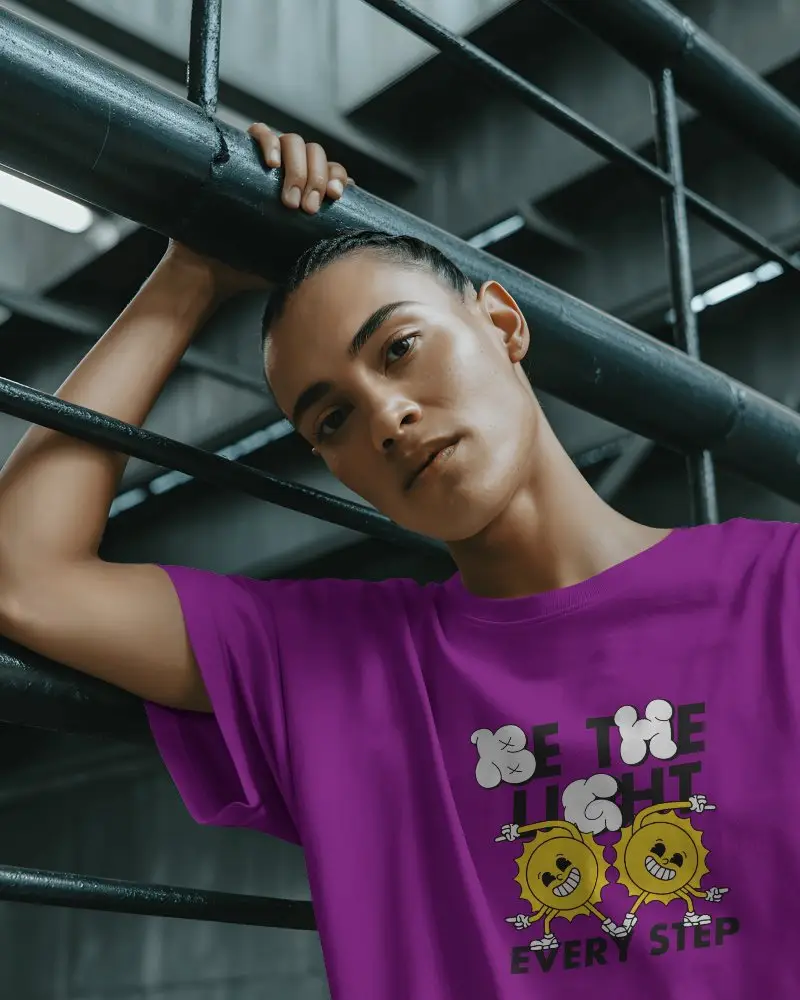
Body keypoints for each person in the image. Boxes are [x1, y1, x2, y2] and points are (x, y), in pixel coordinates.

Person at [0, 122, 795, 1000]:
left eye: (400, 349)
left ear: (501, 323)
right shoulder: (334, 661)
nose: (386, 418)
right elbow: (22, 575)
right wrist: (189, 272)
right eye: (330, 419)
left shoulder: (780, 589)